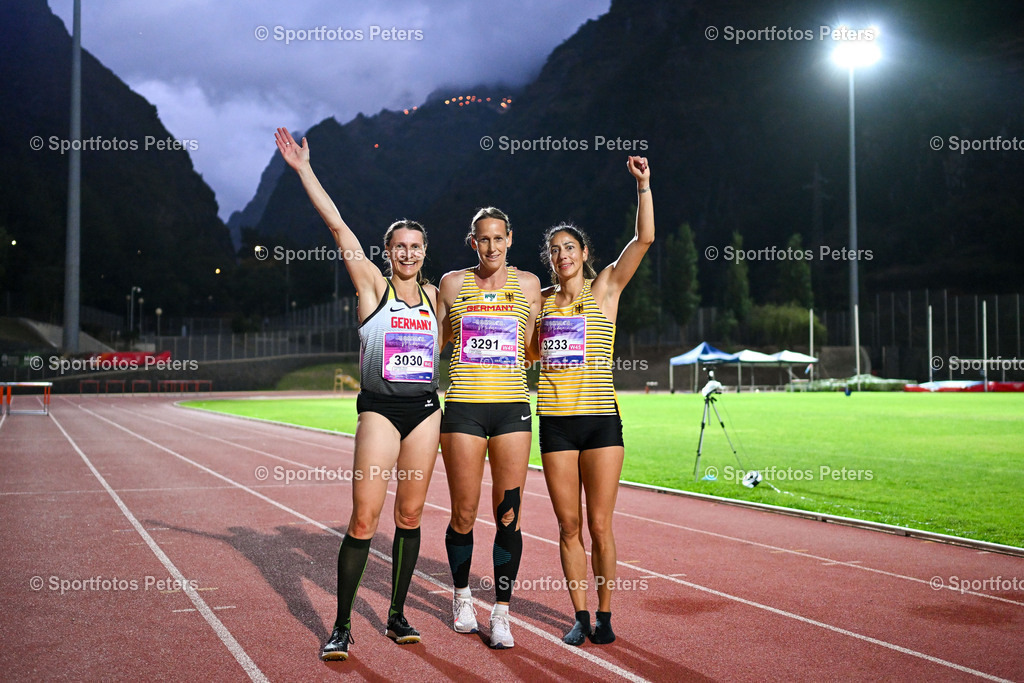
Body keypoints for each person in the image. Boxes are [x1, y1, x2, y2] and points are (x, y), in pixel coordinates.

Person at [275, 127, 442, 662]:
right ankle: (343, 624)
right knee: (365, 518)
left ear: (424, 252)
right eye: (401, 247)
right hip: (380, 410)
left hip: (424, 411)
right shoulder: (373, 284)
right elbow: (336, 224)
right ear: (388, 252)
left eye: (416, 247)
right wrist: (303, 170)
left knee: (411, 517)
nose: (409, 254)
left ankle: (395, 616)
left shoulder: (439, 298)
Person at [532, 156, 653, 646]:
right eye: (555, 250)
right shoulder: (537, 301)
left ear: (584, 253)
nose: (563, 255)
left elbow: (643, 240)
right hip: (557, 423)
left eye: (569, 247)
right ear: (550, 259)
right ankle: (579, 615)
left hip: (601, 421)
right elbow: (522, 350)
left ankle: (605, 614)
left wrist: (643, 186)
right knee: (568, 525)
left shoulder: (606, 288)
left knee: (600, 525)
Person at [438, 207, 541, 649]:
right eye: (483, 239)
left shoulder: (531, 286)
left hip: (512, 410)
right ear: (472, 242)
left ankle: (501, 612)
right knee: (463, 513)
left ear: (511, 239)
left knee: (508, 516)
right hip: (463, 408)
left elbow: (534, 348)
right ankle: (462, 597)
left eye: (499, 238)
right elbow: (434, 341)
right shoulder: (452, 284)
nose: (492, 246)